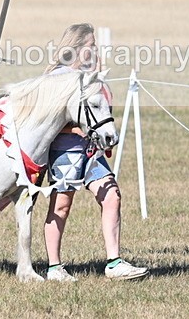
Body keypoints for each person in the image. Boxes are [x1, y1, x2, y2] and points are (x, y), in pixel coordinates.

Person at [43, 23, 148, 282]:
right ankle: (54, 267)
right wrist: (80, 131)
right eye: (91, 45)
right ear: (76, 47)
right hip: (65, 150)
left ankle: (114, 262)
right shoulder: (59, 76)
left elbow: (103, 108)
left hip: (92, 151)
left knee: (112, 196)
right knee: (62, 206)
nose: (95, 49)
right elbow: (52, 118)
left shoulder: (89, 75)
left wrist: (98, 75)